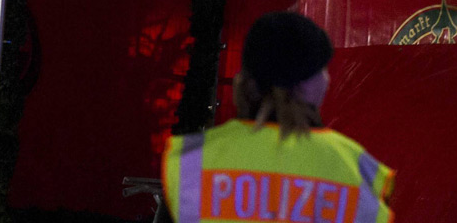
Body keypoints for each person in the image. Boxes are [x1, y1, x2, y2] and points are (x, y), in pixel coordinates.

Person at [161, 12, 394, 223]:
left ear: (246, 79)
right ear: (307, 86)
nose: (327, 79)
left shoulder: (191, 162)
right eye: (322, 69)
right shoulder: (354, 167)